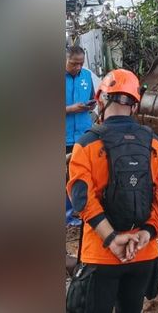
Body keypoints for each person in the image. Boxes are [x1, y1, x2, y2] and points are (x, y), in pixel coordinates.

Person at [66, 69, 158, 313]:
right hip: (143, 254)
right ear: (135, 106)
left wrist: (112, 239)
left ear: (102, 99)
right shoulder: (156, 145)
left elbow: (82, 199)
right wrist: (146, 234)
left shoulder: (85, 145)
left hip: (101, 256)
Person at [65, 46, 98, 227]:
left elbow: (93, 97)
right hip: (64, 136)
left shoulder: (86, 76)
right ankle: (68, 216)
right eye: (73, 64)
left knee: (84, 174)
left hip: (84, 134)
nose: (78, 67)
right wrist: (71, 109)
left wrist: (90, 105)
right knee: (65, 177)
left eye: (81, 64)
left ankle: (84, 212)